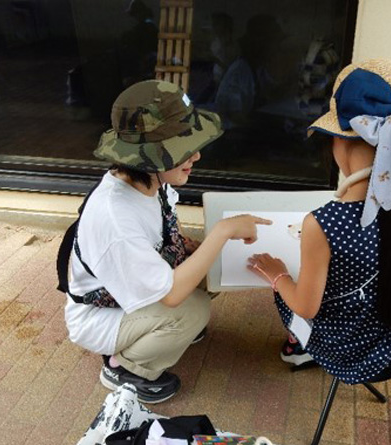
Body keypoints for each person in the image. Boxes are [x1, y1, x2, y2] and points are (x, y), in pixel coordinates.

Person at [60, 80, 270, 403]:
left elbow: (164, 230)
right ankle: (126, 367)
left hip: (130, 287)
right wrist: (222, 232)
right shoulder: (115, 216)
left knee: (213, 268)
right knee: (192, 310)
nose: (196, 155)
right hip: (98, 316)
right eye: (183, 150)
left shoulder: (149, 182)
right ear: (149, 158)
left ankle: (163, 334)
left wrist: (196, 247)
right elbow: (172, 295)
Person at [247, 59, 391, 384]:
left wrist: (276, 274)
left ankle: (302, 347)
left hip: (342, 346)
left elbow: (306, 307)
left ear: (341, 141)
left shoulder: (324, 223)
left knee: (285, 293)